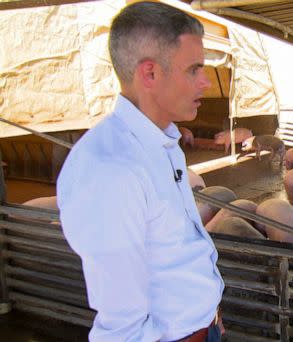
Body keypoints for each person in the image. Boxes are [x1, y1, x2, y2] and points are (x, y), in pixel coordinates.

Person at [57, 2, 224, 341]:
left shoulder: (163, 142)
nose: (206, 83)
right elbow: (122, 323)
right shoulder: (111, 168)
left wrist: (210, 318)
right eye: (194, 69)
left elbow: (176, 253)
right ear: (150, 73)